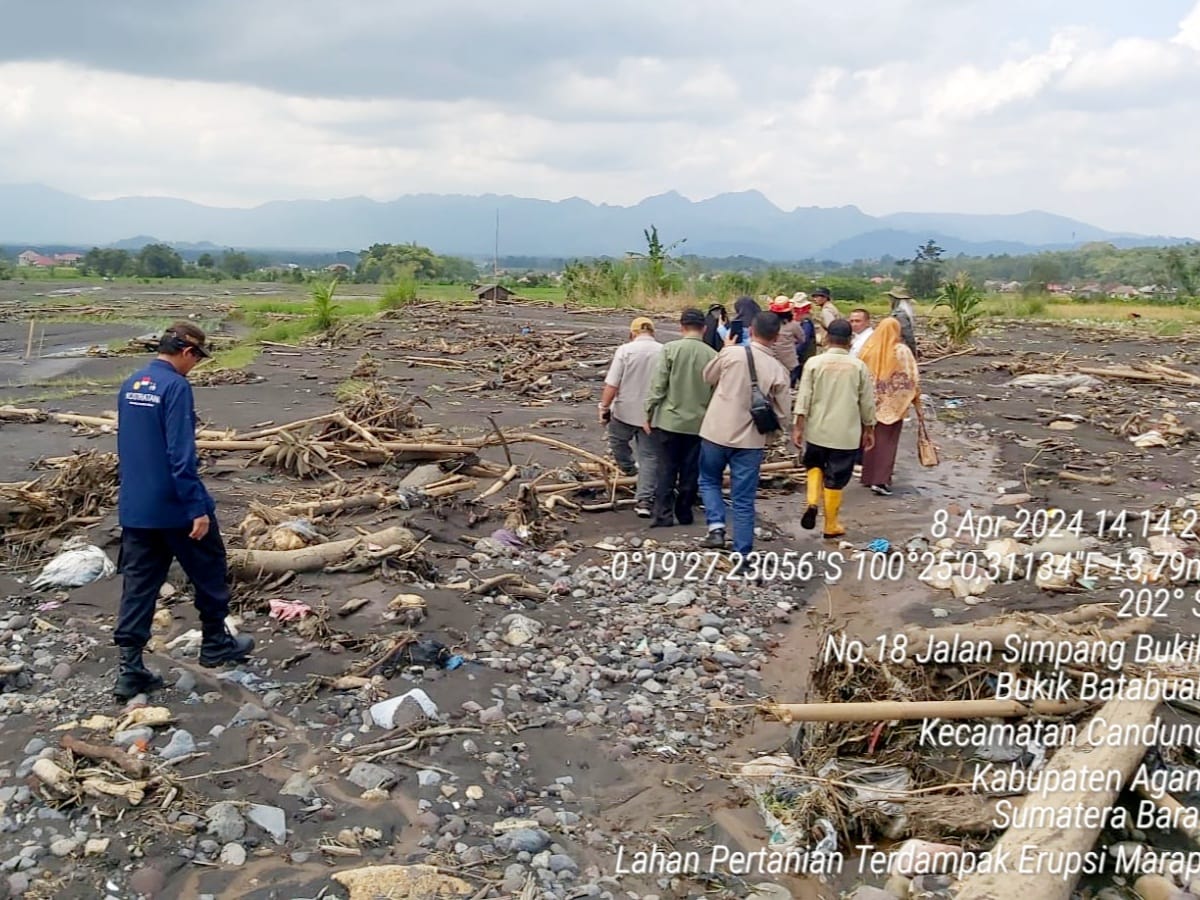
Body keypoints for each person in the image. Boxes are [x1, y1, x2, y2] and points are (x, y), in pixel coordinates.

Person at [113, 323, 254, 701]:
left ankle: (130, 669)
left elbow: (127, 446)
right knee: (209, 567)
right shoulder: (175, 387)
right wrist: (197, 507)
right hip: (176, 504)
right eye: (196, 359)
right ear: (187, 352)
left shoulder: (132, 384)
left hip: (137, 506)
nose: (195, 366)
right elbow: (180, 454)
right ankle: (214, 642)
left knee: (139, 585)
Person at [697, 312, 790, 553]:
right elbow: (782, 414)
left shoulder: (732, 353)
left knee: (708, 480)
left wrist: (726, 348)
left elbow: (707, 376)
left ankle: (716, 527)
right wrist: (772, 435)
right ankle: (742, 553)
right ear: (777, 337)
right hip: (751, 441)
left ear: (751, 329)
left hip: (716, 431)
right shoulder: (779, 370)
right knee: (743, 500)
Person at [792, 319, 876, 540]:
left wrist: (799, 425)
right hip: (845, 434)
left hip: (818, 429)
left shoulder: (814, 363)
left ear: (827, 338)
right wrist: (869, 428)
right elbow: (867, 402)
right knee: (836, 478)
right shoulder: (858, 366)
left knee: (814, 465)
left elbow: (804, 397)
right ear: (850, 341)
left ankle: (811, 502)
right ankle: (830, 525)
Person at [643, 308, 718, 527]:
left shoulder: (670, 350)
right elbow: (716, 393)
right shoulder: (712, 355)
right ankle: (684, 513)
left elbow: (658, 386)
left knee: (666, 469)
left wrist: (648, 412)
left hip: (669, 421)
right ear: (703, 329)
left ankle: (663, 515)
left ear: (681, 327)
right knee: (690, 470)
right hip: (698, 423)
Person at [599, 316, 663, 517]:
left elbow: (612, 384)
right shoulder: (664, 351)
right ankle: (644, 500)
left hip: (624, 411)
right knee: (650, 456)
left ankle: (628, 469)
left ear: (632, 333)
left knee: (617, 443)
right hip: (652, 414)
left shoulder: (625, 350)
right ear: (652, 332)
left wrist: (604, 406)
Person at [858, 317, 920, 496]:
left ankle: (868, 476)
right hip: (892, 404)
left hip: (870, 402)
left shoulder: (869, 347)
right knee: (888, 442)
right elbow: (911, 377)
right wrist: (912, 398)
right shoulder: (900, 350)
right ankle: (881, 480)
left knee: (870, 439)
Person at [768, 296, 801, 384]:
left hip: (771, 360)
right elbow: (802, 338)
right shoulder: (793, 325)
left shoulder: (768, 324)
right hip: (789, 362)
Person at [885, 287, 919, 358]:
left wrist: (913, 351)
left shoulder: (900, 314)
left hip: (899, 349)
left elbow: (908, 335)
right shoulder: (903, 313)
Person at [791, 295, 817, 372]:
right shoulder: (802, 320)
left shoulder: (806, 322)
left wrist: (794, 352)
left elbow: (804, 340)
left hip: (803, 357)